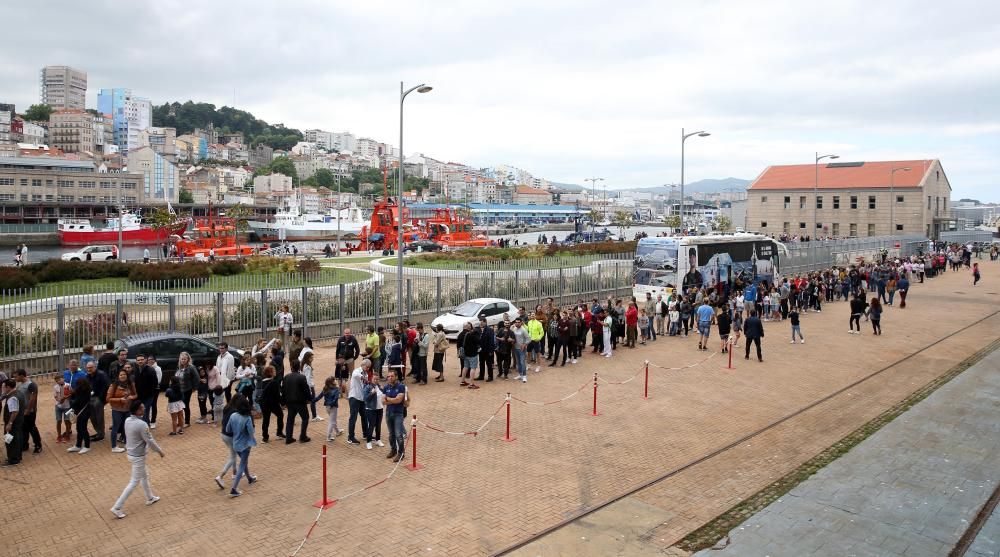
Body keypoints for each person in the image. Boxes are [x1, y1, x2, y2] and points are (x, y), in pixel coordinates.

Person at [110, 400, 164, 518]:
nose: (144, 409)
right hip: (138, 456)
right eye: (142, 408)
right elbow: (149, 440)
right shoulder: (142, 424)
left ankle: (150, 497)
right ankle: (117, 507)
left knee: (144, 476)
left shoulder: (128, 420)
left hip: (131, 454)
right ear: (137, 410)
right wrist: (159, 451)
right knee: (134, 482)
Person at [227, 395, 258, 498]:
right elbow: (251, 432)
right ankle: (234, 488)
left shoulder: (233, 415)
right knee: (242, 464)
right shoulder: (247, 418)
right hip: (245, 445)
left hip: (235, 443)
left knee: (244, 462)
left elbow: (228, 430)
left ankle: (249, 478)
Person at [281, 360, 311, 444]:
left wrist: (283, 402)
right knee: (305, 418)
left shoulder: (286, 377)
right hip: (300, 402)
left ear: (291, 367)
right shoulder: (301, 377)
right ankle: (303, 436)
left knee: (290, 419)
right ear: (299, 367)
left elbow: (283, 390)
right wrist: (309, 399)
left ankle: (288, 437)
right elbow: (306, 390)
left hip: (289, 402)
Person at [107, 369, 136, 453]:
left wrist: (132, 397)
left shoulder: (131, 384)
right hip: (117, 409)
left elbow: (135, 394)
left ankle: (128, 444)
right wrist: (120, 399)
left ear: (127, 376)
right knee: (115, 427)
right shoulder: (113, 386)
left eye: (124, 374)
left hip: (128, 409)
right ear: (118, 376)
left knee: (127, 427)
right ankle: (114, 447)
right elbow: (108, 399)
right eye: (121, 375)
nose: (122, 376)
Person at [13, 370, 42, 453]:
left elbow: (32, 399)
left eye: (16, 376)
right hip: (22, 410)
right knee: (23, 428)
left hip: (29, 411)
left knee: (32, 428)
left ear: (22, 375)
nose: (15, 378)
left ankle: (38, 445)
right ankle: (25, 445)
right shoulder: (20, 385)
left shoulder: (31, 385)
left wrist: (28, 410)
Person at [381, 371, 407, 463]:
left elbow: (399, 400)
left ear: (396, 376)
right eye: (388, 376)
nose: (390, 378)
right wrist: (392, 400)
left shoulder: (401, 387)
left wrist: (388, 399)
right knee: (391, 434)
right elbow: (383, 401)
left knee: (398, 435)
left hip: (398, 414)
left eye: (392, 376)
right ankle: (393, 450)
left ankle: (401, 453)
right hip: (388, 413)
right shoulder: (386, 387)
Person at [67, 376, 93, 454]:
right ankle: (78, 445)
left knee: (83, 429)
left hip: (83, 412)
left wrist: (70, 399)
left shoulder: (83, 392)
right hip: (81, 412)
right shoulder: (82, 390)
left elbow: (76, 402)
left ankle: (87, 446)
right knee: (79, 428)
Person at [258, 366, 284, 443]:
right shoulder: (274, 382)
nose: (275, 372)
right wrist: (283, 403)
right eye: (274, 371)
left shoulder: (262, 382)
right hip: (273, 404)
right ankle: (279, 432)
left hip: (264, 404)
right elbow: (277, 395)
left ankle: (265, 437)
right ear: (270, 373)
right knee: (280, 415)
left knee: (266, 420)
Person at [346, 360, 369, 445]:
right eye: (367, 367)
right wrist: (364, 378)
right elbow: (355, 375)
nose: (368, 369)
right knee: (353, 417)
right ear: (363, 365)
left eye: (369, 367)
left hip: (362, 398)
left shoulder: (365, 374)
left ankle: (366, 434)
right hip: (354, 398)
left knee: (364, 416)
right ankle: (350, 437)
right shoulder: (357, 371)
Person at [2, 379, 22, 466]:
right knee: (16, 439)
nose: (2, 389)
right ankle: (17, 457)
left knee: (10, 440)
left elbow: (14, 411)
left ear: (8, 387)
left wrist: (9, 423)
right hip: (18, 421)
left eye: (3, 387)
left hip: (12, 422)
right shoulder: (18, 392)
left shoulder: (12, 398)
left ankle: (13, 459)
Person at [176, 352, 198, 427]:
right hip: (179, 389)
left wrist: (194, 388)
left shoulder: (191, 367)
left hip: (187, 389)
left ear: (188, 359)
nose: (183, 360)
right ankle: (181, 420)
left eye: (185, 359)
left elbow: (196, 378)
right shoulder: (179, 367)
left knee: (185, 405)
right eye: (182, 359)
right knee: (179, 406)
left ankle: (187, 422)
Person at [134, 356, 158, 425]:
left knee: (145, 412)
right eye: (138, 360)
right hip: (138, 396)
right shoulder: (135, 370)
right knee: (138, 412)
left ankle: (145, 430)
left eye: (142, 360)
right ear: (136, 361)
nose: (140, 361)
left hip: (148, 396)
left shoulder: (150, 370)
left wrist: (151, 394)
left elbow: (155, 383)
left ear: (145, 360)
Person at [317, 376, 342, 441]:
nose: (335, 381)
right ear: (332, 382)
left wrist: (312, 401)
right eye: (334, 380)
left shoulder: (325, 389)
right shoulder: (336, 389)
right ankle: (328, 436)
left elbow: (319, 397)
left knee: (333, 420)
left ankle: (337, 431)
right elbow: (336, 398)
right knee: (332, 422)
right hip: (333, 407)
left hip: (327, 407)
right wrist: (332, 404)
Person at [362, 376, 384, 450]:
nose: (376, 380)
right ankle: (368, 442)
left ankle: (378, 440)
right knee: (371, 426)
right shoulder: (368, 387)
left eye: (377, 379)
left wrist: (383, 389)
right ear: (371, 379)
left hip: (380, 408)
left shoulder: (379, 387)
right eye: (374, 379)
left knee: (378, 425)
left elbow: (384, 395)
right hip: (371, 409)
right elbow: (365, 398)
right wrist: (372, 393)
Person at [461, 322, 481, 389]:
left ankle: (462, 381)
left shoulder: (466, 334)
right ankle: (471, 384)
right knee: (473, 368)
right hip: (473, 354)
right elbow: (479, 341)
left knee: (465, 367)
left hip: (466, 354)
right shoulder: (474, 335)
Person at [53, 374, 72, 443]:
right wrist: (59, 400)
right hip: (58, 406)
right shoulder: (55, 387)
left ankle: (67, 435)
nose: (58, 381)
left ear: (63, 379)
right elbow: (55, 396)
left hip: (67, 406)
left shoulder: (68, 385)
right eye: (57, 380)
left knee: (67, 421)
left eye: (59, 379)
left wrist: (66, 397)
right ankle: (59, 435)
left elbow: (71, 394)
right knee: (58, 421)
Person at [512, 318, 531, 383]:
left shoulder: (523, 330)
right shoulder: (514, 328)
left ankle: (524, 376)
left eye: (518, 322)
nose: (517, 323)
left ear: (521, 322)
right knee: (518, 362)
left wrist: (524, 344)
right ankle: (520, 374)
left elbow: (529, 339)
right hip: (515, 348)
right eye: (516, 322)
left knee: (522, 362)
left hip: (522, 349)